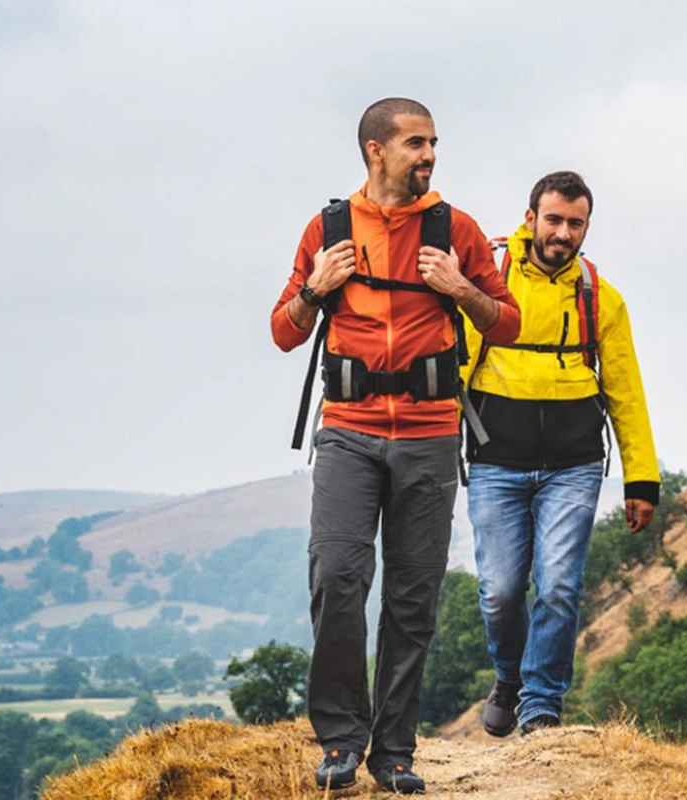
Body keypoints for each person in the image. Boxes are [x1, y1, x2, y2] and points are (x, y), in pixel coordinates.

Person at [269, 97, 521, 793]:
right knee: (337, 580)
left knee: (414, 600)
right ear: (376, 150)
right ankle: (342, 742)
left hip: (432, 433)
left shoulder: (456, 229)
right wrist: (317, 289)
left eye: (434, 142)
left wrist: (461, 286)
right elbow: (283, 331)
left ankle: (395, 753)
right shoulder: (328, 229)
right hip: (348, 433)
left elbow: (507, 324)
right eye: (416, 142)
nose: (430, 155)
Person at [461, 170, 660, 737]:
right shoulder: (488, 279)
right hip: (495, 460)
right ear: (530, 219)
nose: (563, 233)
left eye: (576, 224)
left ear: (587, 228)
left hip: (573, 468)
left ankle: (541, 706)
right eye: (554, 220)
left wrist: (641, 480)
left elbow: (626, 392)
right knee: (500, 591)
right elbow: (456, 365)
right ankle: (510, 676)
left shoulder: (603, 298)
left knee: (559, 586)